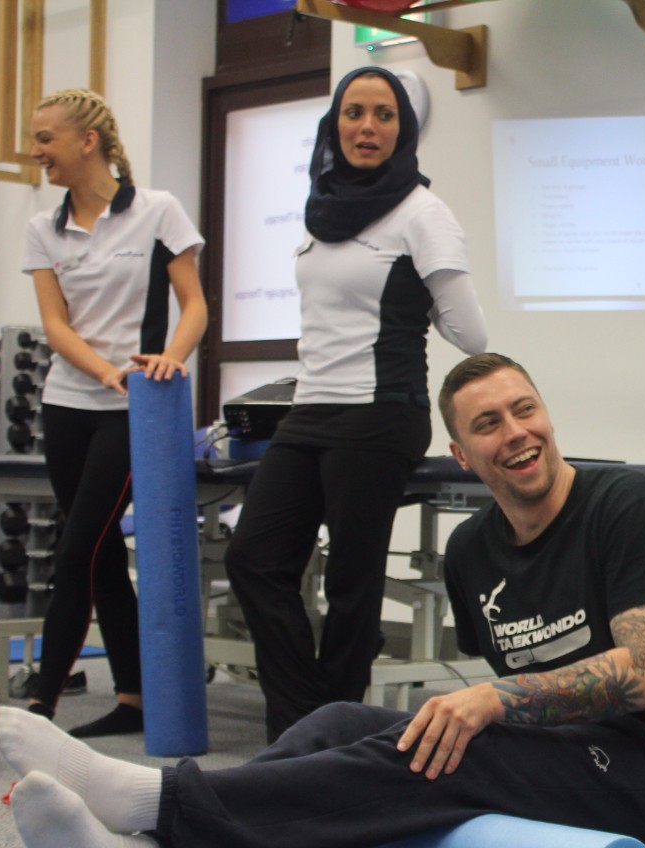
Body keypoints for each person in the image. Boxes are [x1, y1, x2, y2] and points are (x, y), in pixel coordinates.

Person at [0, 352, 645, 848]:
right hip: (567, 761)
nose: (516, 433)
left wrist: (491, 702)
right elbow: (528, 712)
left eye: (525, 410)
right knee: (335, 722)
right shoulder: (472, 553)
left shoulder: (630, 505)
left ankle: (157, 799)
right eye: (488, 424)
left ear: (547, 416)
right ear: (460, 452)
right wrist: (493, 710)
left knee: (458, 742)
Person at [224, 66, 488, 743]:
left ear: (401, 129)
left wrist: (411, 300)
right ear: (333, 125)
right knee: (253, 558)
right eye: (353, 113)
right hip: (309, 408)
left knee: (350, 581)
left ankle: (326, 734)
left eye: (383, 115)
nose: (366, 127)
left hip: (379, 412)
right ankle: (309, 716)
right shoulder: (320, 206)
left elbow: (471, 332)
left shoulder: (422, 213)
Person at [21, 89, 207, 738]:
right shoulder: (44, 229)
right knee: (97, 556)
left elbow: (194, 306)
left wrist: (168, 360)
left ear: (86, 141)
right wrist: (102, 370)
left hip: (133, 412)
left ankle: (41, 705)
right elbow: (53, 322)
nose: (36, 150)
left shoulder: (158, 211)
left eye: (46, 138)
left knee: (77, 552)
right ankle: (132, 698)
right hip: (67, 403)